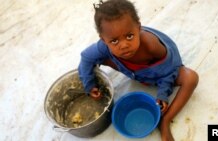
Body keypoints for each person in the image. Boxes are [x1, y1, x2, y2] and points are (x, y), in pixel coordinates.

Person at [78, 0, 199, 141]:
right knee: (94, 61)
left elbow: (169, 72)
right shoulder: (104, 46)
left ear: (139, 28)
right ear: (103, 39)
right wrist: (89, 84)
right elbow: (86, 58)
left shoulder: (151, 45)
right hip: (133, 71)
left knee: (191, 78)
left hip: (161, 73)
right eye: (114, 41)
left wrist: (163, 94)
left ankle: (165, 121)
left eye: (129, 36)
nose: (124, 46)